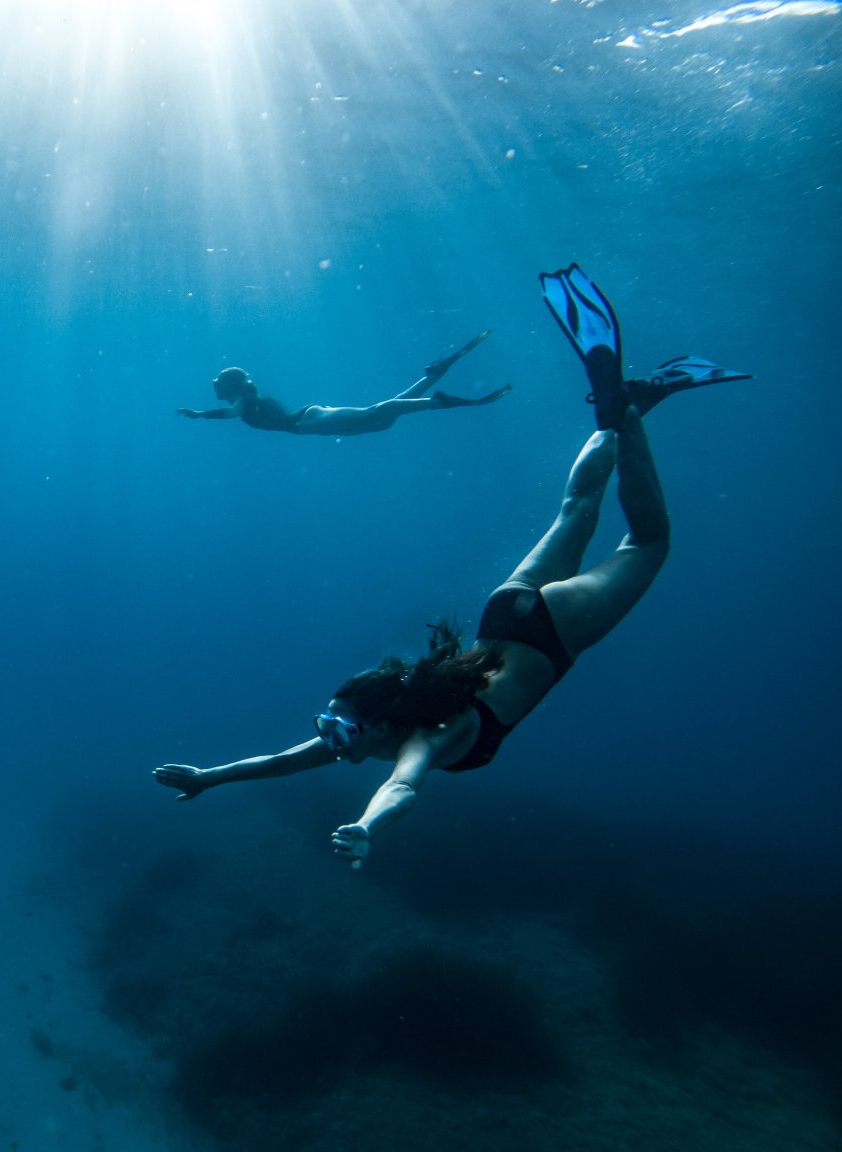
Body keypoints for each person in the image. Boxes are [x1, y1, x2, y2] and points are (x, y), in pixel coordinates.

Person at [154, 264, 752, 868]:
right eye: (333, 729)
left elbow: (402, 787)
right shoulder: (384, 726)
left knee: (643, 544)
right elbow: (286, 761)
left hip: (541, 628)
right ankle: (620, 407)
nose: (333, 743)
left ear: (379, 722)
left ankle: (622, 410)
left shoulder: (421, 738)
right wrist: (209, 776)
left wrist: (367, 826)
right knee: (575, 510)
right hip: (506, 613)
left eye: (337, 731)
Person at [175, 331, 510, 435]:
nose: (214, 387)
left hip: (309, 420)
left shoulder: (242, 401)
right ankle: (435, 374)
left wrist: (201, 415)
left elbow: (234, 413)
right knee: (385, 416)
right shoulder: (247, 398)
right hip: (312, 423)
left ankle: (441, 401)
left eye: (217, 382)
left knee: (374, 413)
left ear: (230, 385)